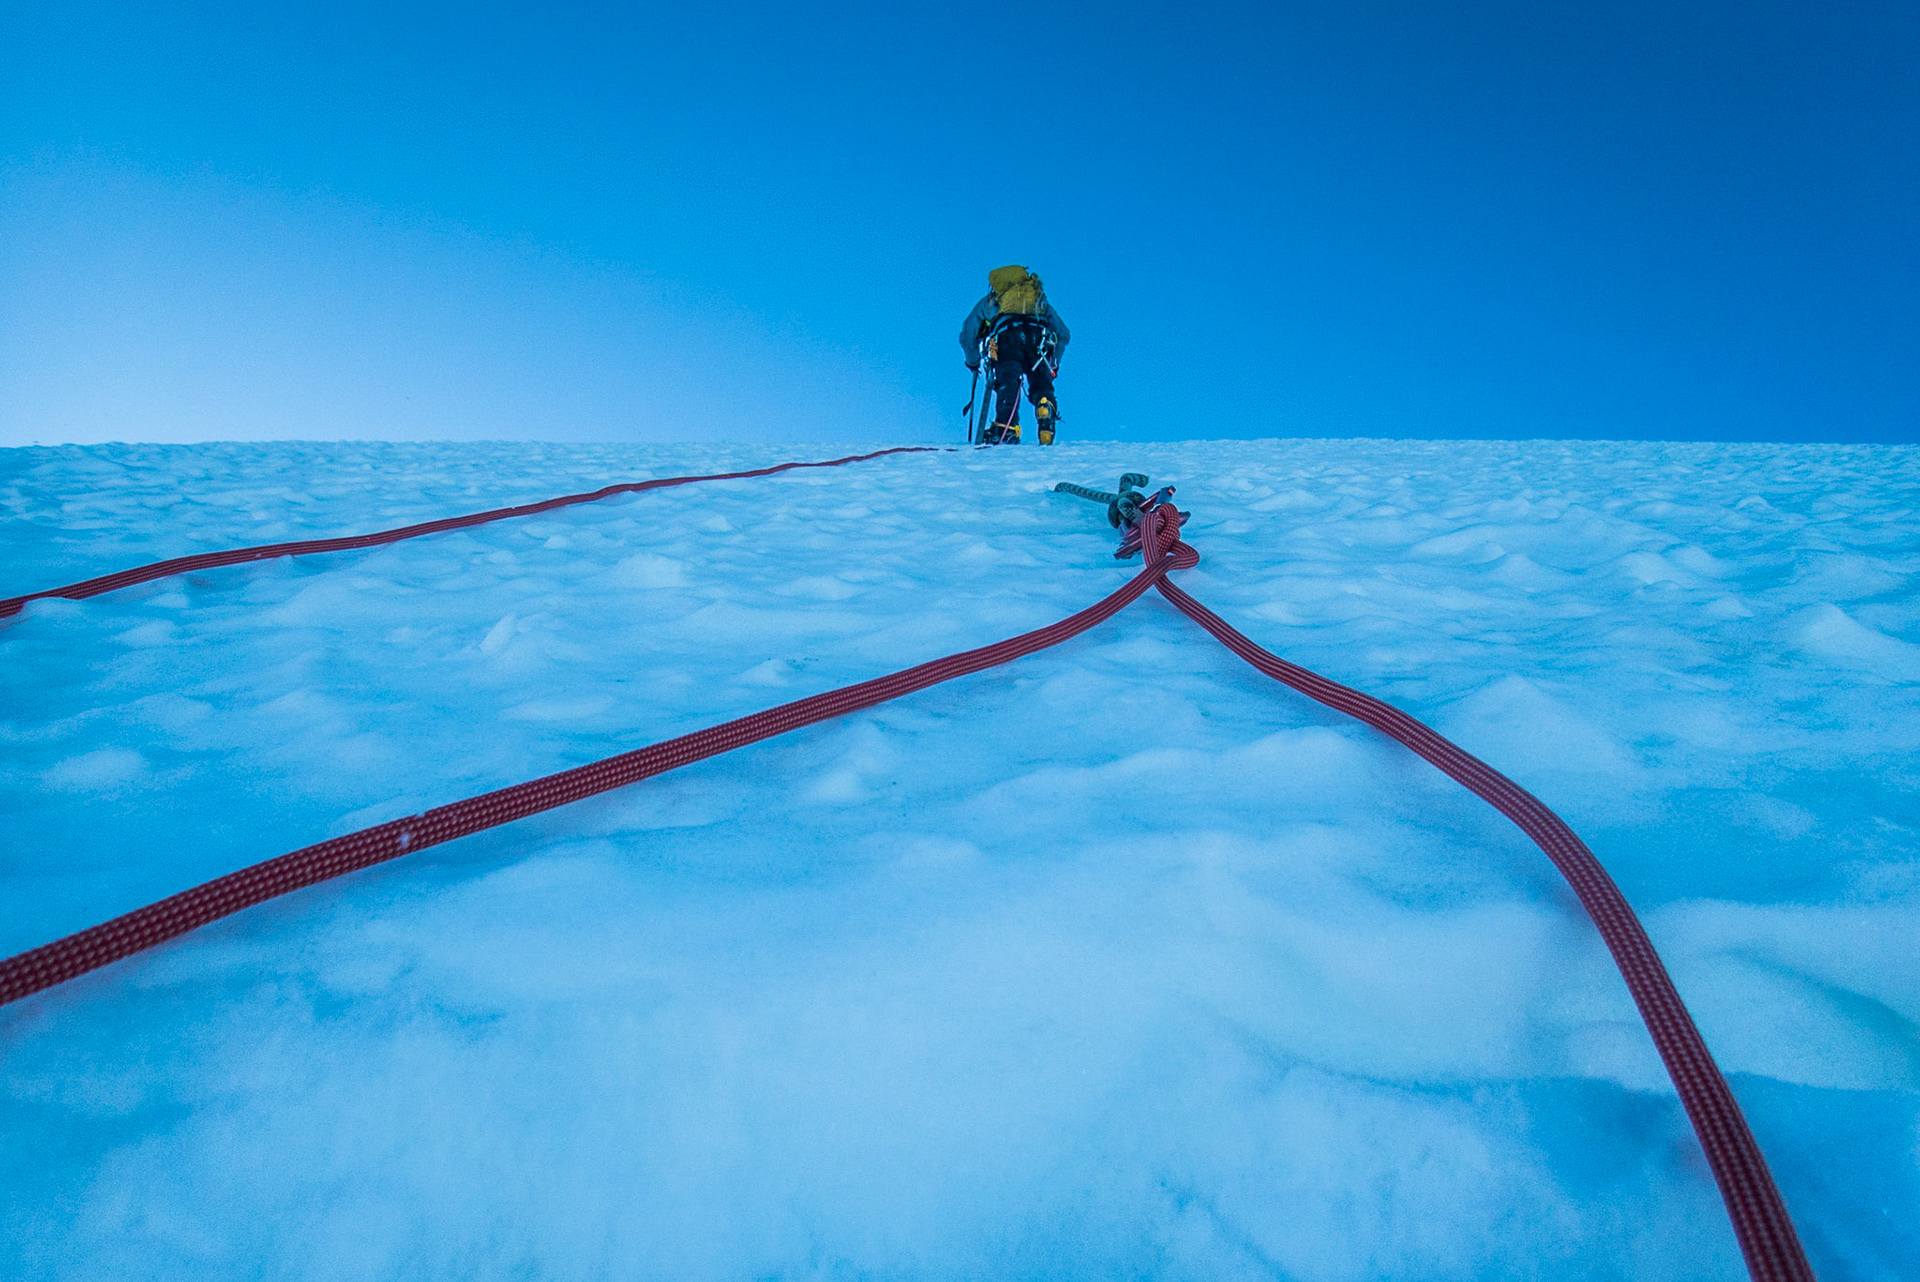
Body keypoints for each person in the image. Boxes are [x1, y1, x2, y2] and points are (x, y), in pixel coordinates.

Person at [960, 265, 1070, 444]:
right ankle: (1045, 406)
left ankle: (1006, 427)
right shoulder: (1038, 299)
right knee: (1041, 384)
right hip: (1038, 340)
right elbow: (1063, 333)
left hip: (1007, 339)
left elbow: (968, 332)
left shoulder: (992, 300)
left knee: (1008, 382)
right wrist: (1054, 362)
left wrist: (973, 361)